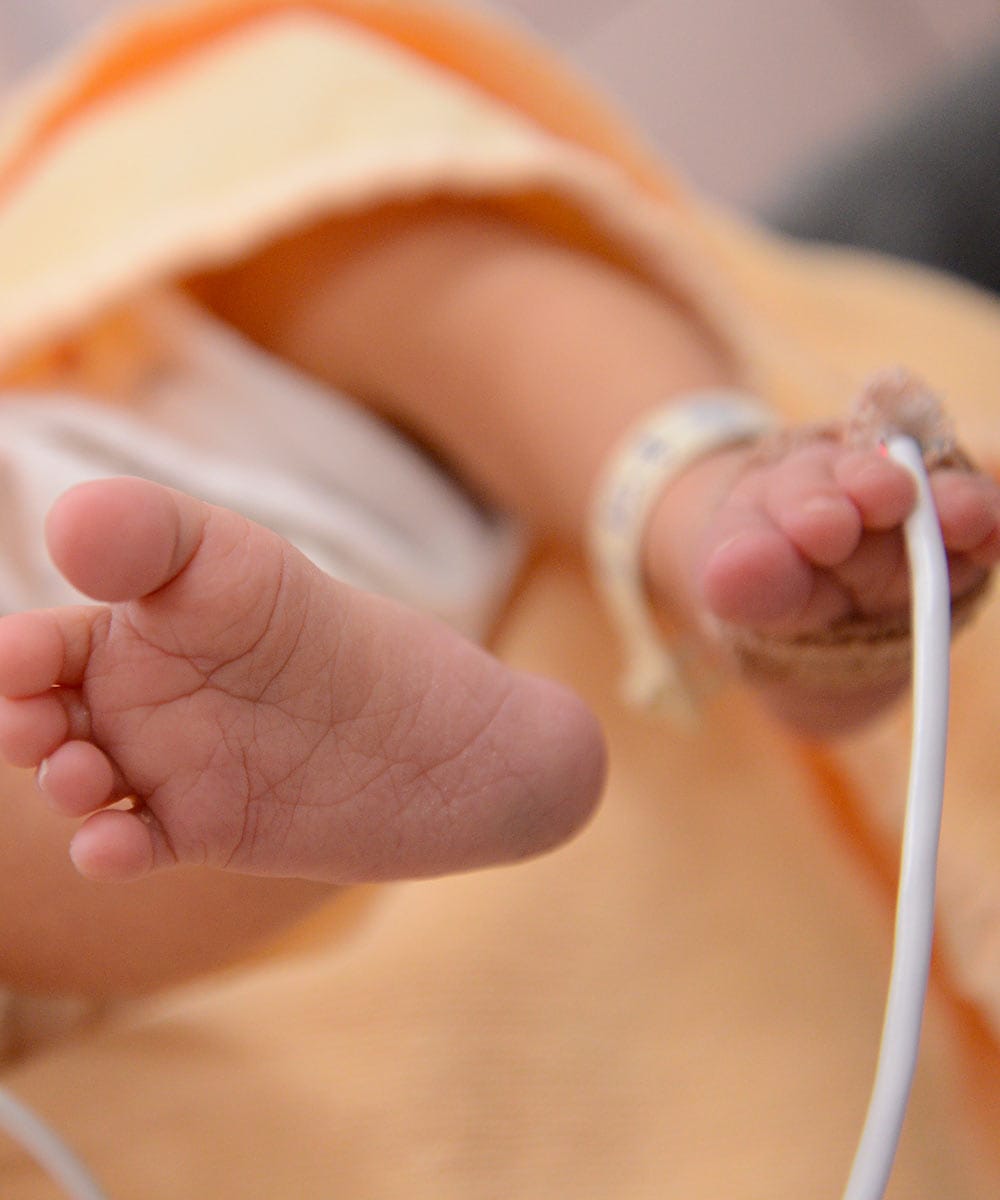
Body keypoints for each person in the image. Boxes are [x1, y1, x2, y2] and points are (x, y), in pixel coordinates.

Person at [0, 2, 999, 1196]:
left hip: (180, 406)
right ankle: (712, 531)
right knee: (79, 800)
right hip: (180, 629)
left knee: (325, 212)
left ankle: (708, 509)